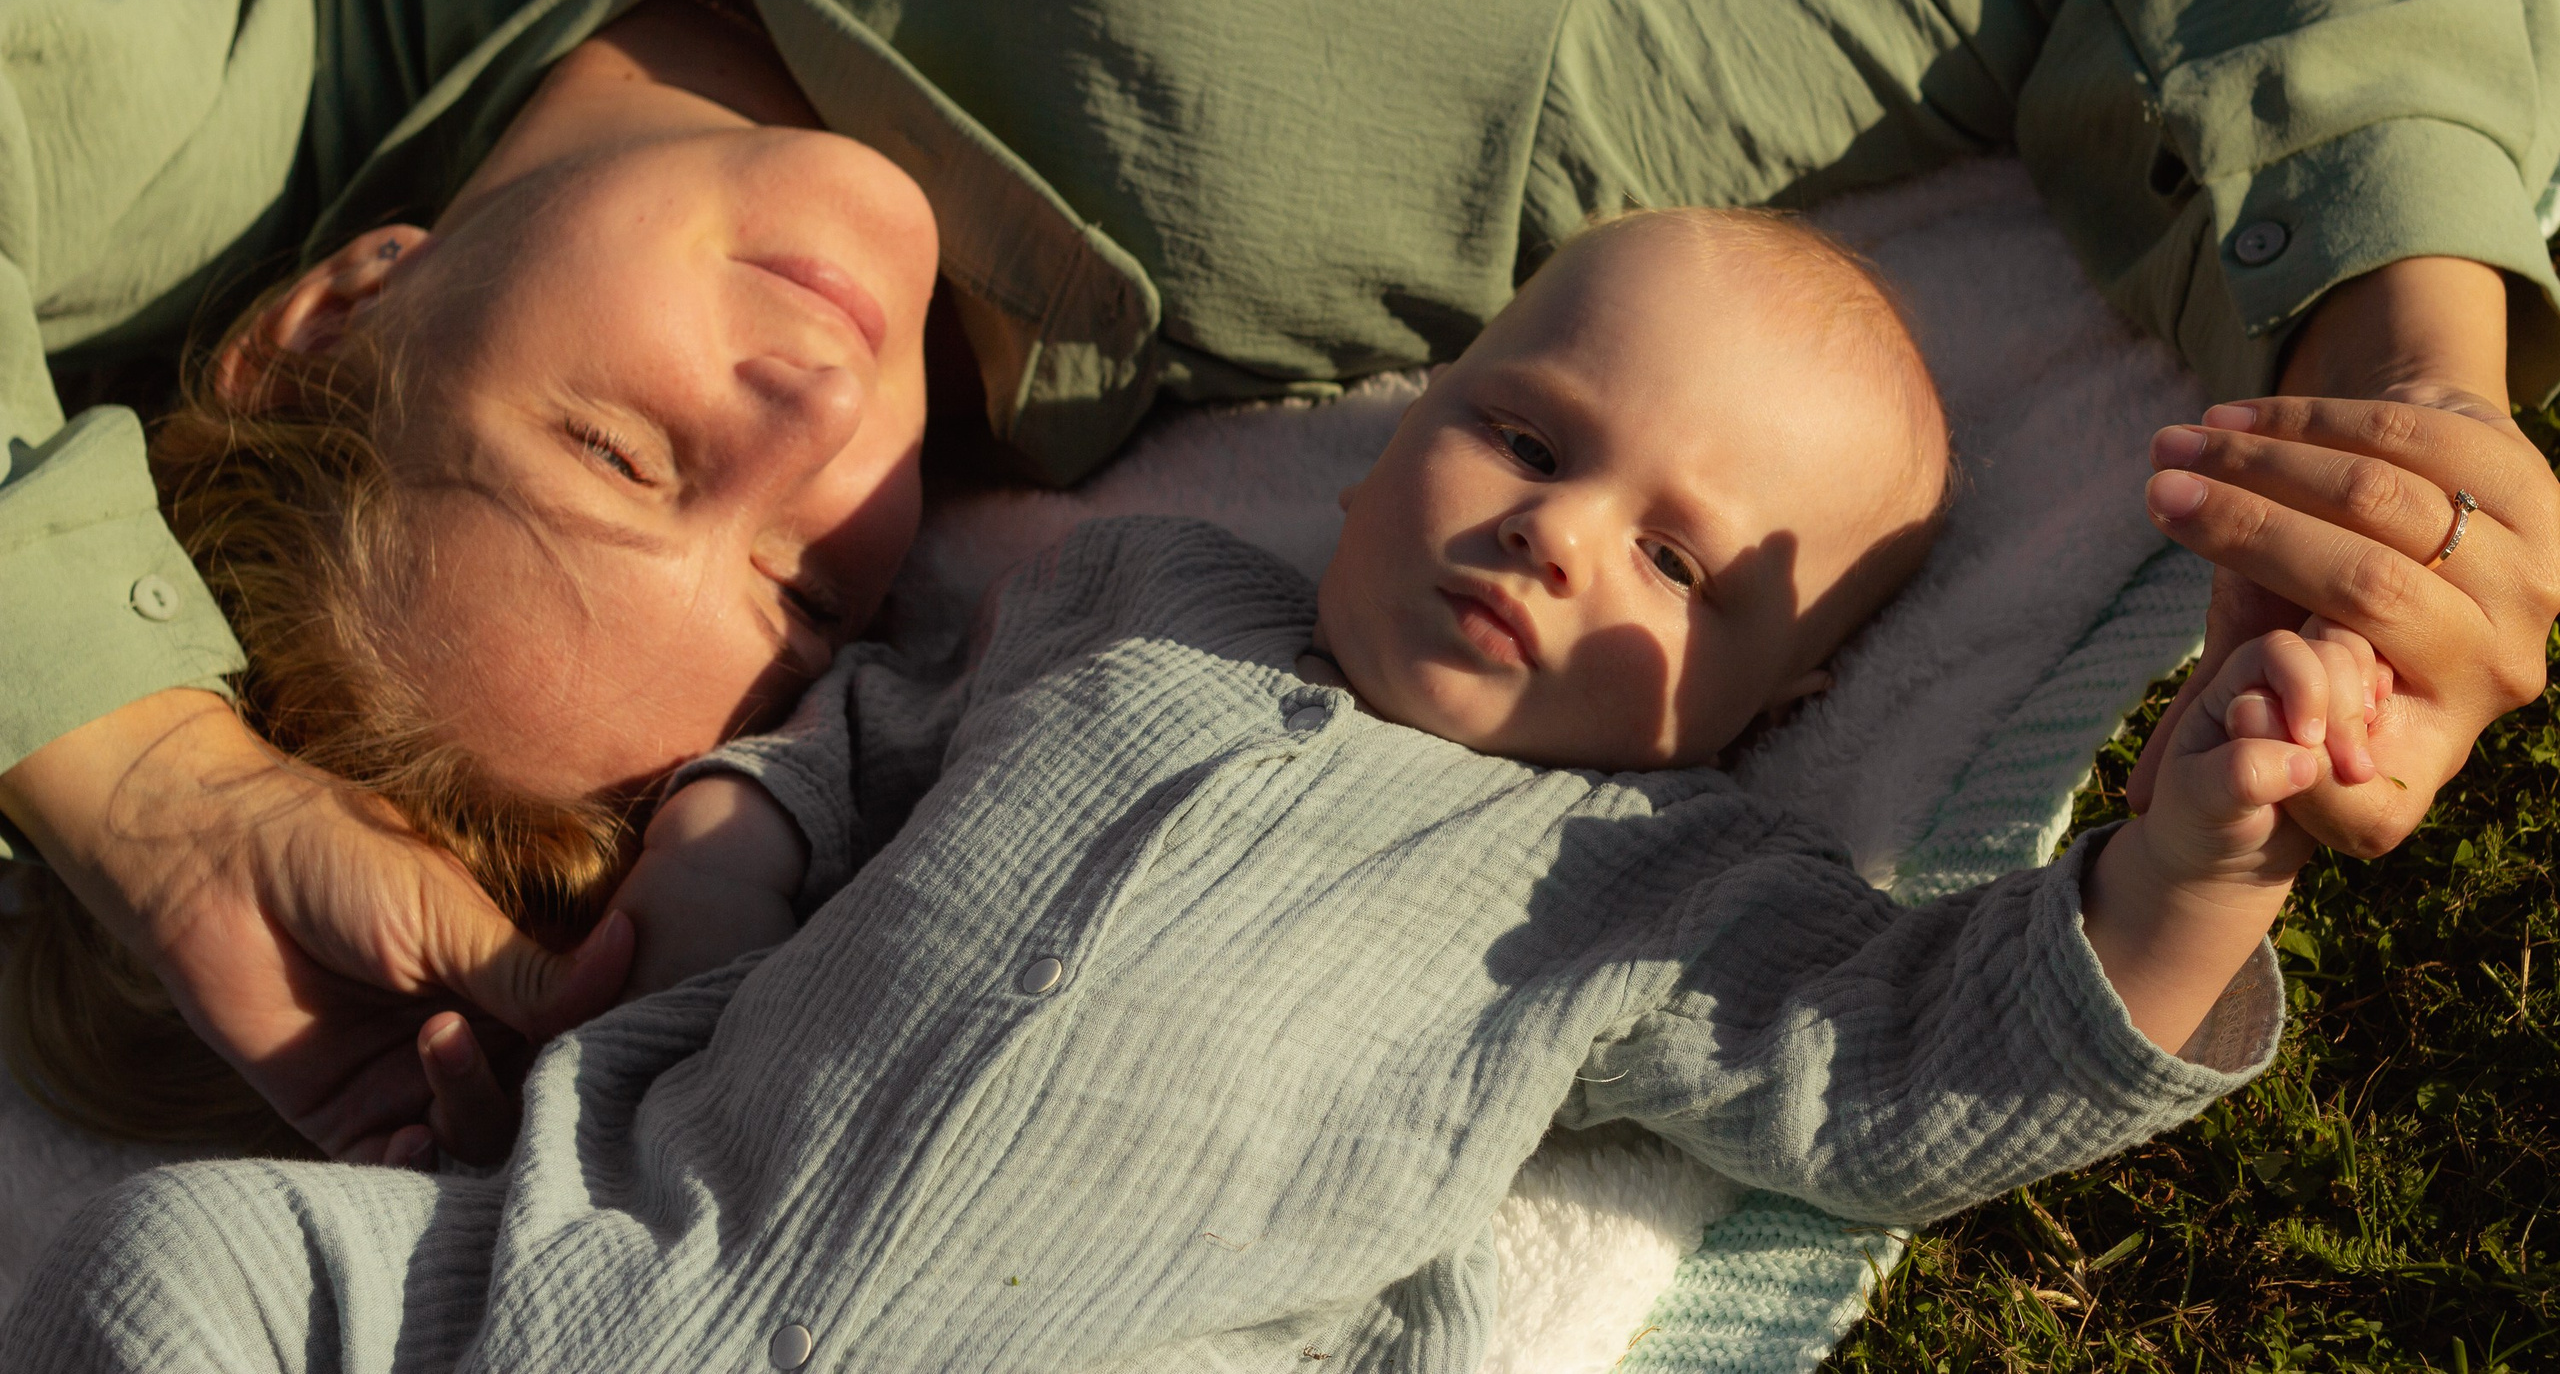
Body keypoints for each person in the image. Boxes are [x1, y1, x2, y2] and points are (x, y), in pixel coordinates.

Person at [1, 0, 2556, 1162]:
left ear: (331, 308)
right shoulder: (1410, 152)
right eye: (804, 588)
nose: (811, 422)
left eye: (624, 455)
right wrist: (2408, 395)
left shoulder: (303, 36)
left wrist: (116, 751)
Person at [0, 209, 2394, 1371]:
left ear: (1764, 696)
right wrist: (742, 831)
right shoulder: (1129, 587)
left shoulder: (1642, 885)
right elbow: (861, 726)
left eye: (1676, 557)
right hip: (584, 1259)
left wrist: (2184, 877)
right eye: (1528, 438)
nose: (1563, 534)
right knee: (164, 1260)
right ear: (1388, 447)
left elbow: (1896, 1063)